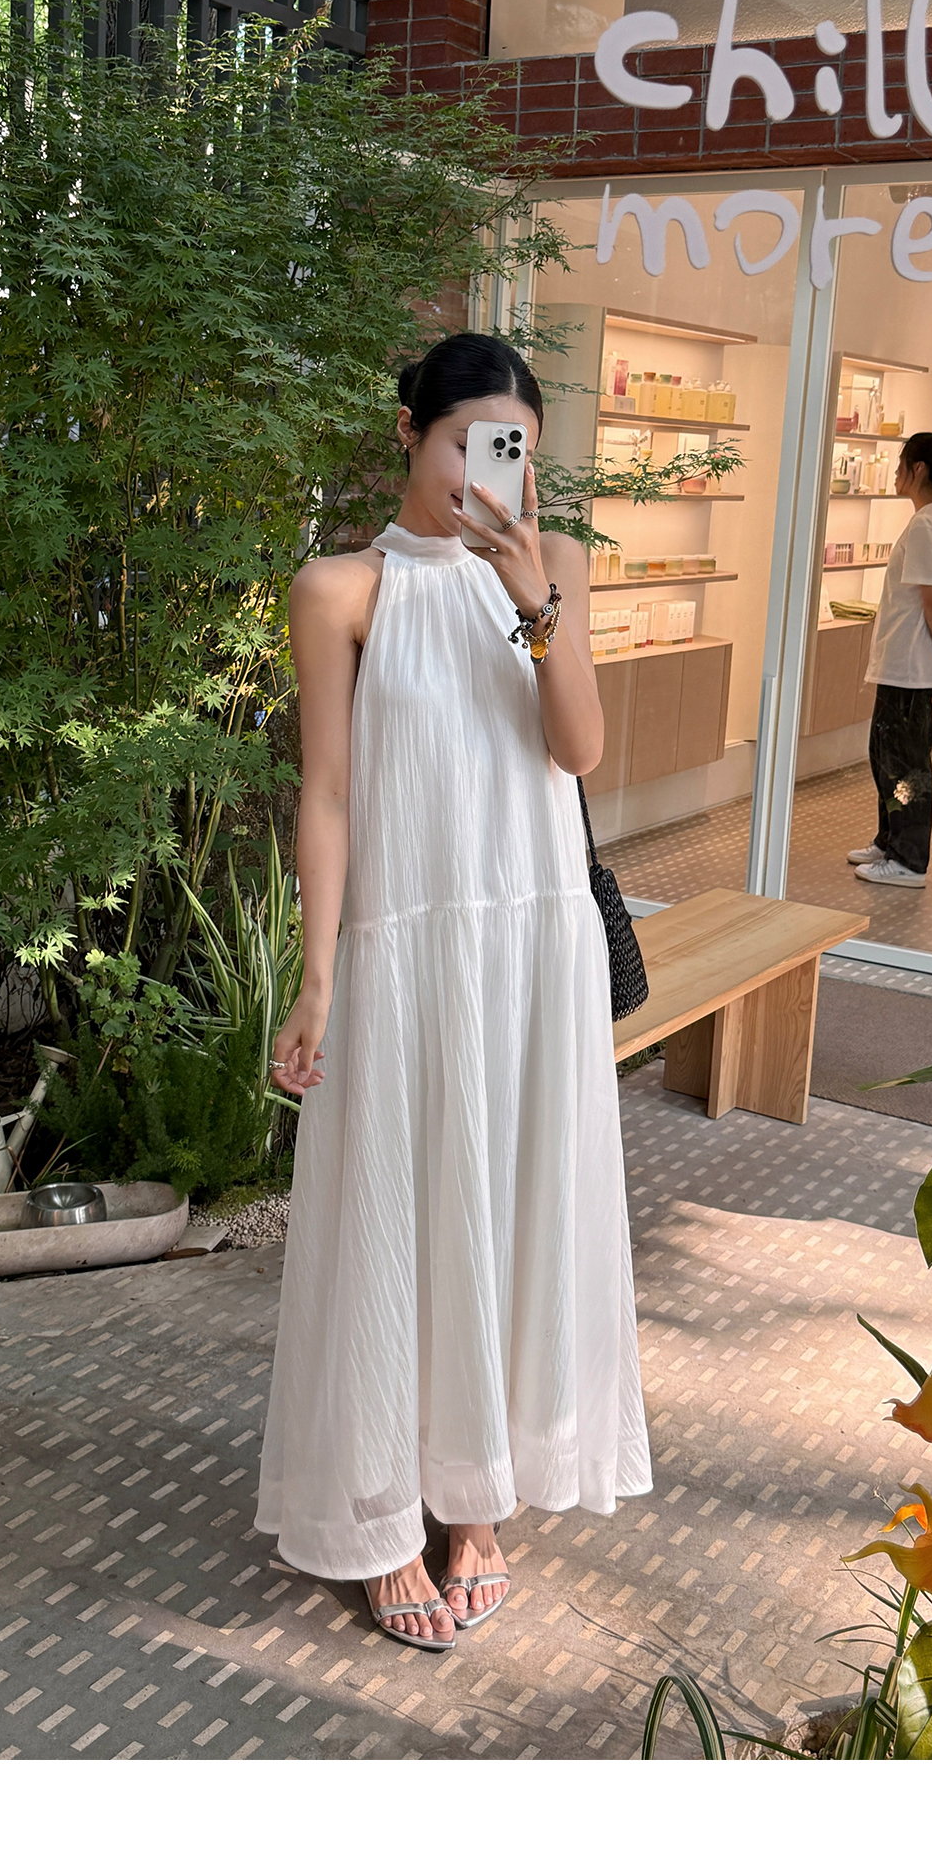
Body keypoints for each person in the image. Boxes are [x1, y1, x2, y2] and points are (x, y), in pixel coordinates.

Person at [256, 332, 652, 1651]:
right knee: (395, 1218)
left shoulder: (559, 564)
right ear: (409, 434)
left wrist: (536, 600)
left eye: (513, 450)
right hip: (408, 947)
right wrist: (317, 977)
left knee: (512, 1212)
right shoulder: (342, 589)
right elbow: (326, 792)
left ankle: (477, 1507)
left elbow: (579, 748)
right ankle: (380, 1512)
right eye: (466, 444)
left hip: (534, 947)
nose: (488, 475)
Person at [849, 430, 932, 888]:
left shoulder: (927, 525)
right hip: (902, 663)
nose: (896, 473)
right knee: (885, 755)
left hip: (910, 664)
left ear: (918, 468)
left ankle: (908, 859)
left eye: (901, 463)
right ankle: (890, 840)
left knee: (905, 765)